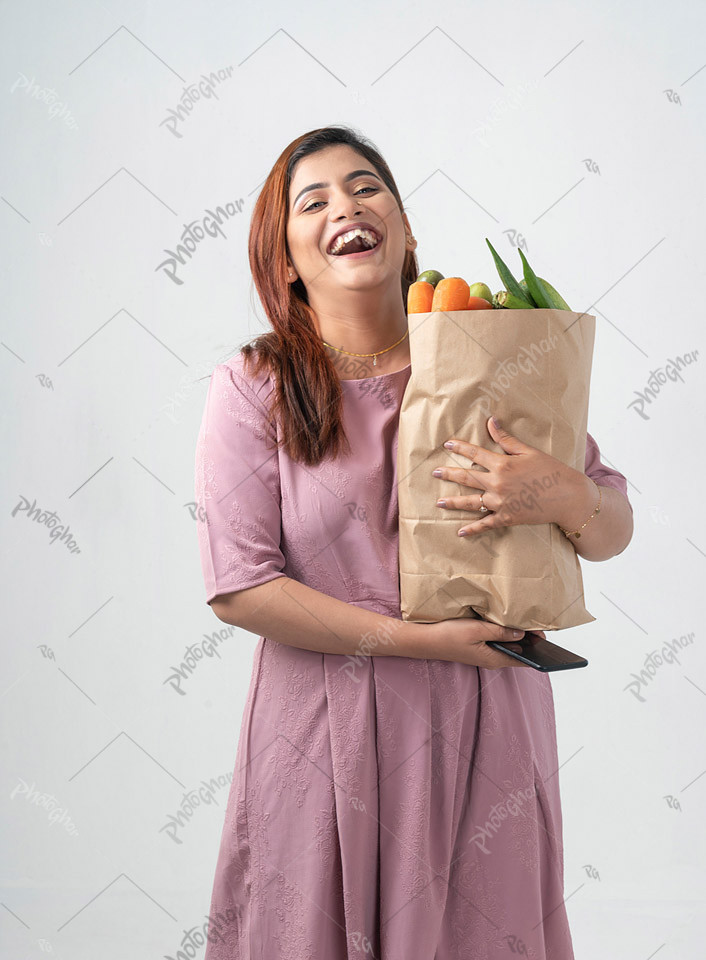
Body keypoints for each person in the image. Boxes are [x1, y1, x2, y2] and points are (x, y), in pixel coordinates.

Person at [194, 125, 634, 960]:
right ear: (284, 258)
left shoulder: (489, 356)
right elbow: (240, 587)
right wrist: (425, 643)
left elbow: (612, 529)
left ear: (404, 228)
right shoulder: (253, 387)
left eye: (367, 188)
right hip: (325, 733)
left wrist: (565, 493)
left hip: (489, 725)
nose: (346, 208)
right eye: (313, 200)